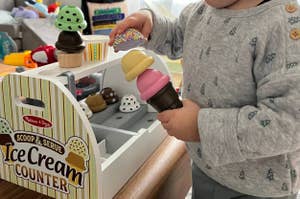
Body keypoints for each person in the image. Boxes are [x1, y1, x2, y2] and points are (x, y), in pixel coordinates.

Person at [109, 0, 300, 198]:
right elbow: (178, 35)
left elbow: (290, 124)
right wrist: (151, 25)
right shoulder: (202, 9)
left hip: (258, 188)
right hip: (206, 167)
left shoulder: (283, 25)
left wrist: (200, 126)